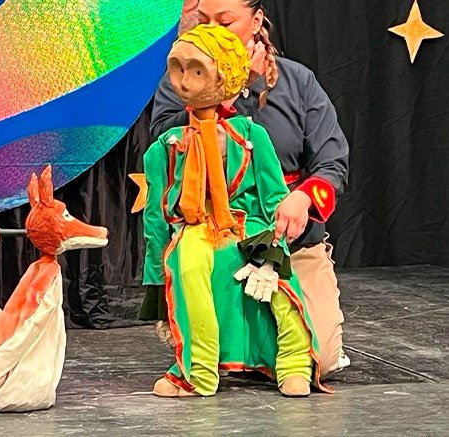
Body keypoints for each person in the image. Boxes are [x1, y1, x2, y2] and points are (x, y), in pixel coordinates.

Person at [141, 0, 350, 377]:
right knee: (211, 347)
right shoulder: (182, 77)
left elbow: (332, 161)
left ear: (255, 22)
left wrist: (302, 197)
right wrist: (228, 93)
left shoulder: (296, 80)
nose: (213, 31)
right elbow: (166, 148)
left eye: (225, 22)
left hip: (285, 241)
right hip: (212, 241)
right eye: (203, 21)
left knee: (319, 360)